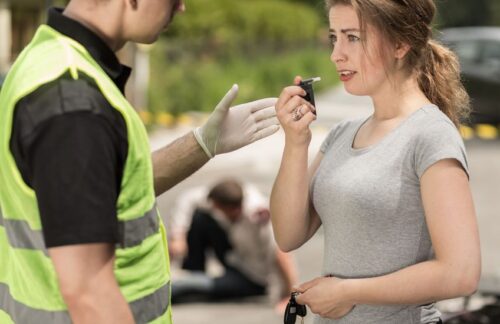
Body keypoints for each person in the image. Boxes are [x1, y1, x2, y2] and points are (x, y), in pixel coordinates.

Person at [0, 1, 280, 323]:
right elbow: (89, 291)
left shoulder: (45, 59)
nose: (182, 8)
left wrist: (203, 144)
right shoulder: (74, 103)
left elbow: (110, 192)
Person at [270, 0, 481, 323]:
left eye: (353, 37)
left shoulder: (430, 135)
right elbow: (287, 235)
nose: (336, 54)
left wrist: (347, 292)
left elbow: (461, 273)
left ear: (400, 43)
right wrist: (296, 143)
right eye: (334, 37)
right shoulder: (342, 134)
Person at [170, 179, 297, 311]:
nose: (214, 209)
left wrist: (290, 295)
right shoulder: (232, 195)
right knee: (199, 217)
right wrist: (178, 236)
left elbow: (281, 254)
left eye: (218, 208)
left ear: (233, 209)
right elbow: (188, 198)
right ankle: (194, 270)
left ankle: (177, 285)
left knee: (184, 285)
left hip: (252, 277)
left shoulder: (259, 216)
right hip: (235, 255)